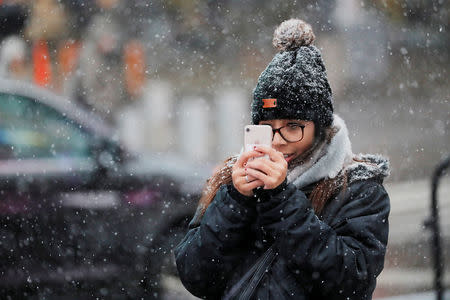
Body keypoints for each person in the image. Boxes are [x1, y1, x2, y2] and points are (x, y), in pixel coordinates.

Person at [175, 19, 390, 300]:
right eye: (268, 126)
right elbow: (195, 276)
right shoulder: (234, 179)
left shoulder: (358, 187)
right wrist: (235, 201)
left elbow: (351, 281)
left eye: (292, 127)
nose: (277, 140)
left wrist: (281, 199)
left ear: (319, 128)